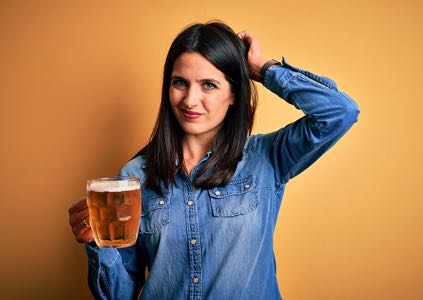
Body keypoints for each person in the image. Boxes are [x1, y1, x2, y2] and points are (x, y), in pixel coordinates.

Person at [68, 21, 359, 300]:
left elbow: (340, 112)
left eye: (208, 85)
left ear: (234, 93)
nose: (190, 100)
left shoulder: (266, 158)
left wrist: (264, 69)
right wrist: (98, 245)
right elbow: (118, 296)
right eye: (180, 82)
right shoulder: (135, 177)